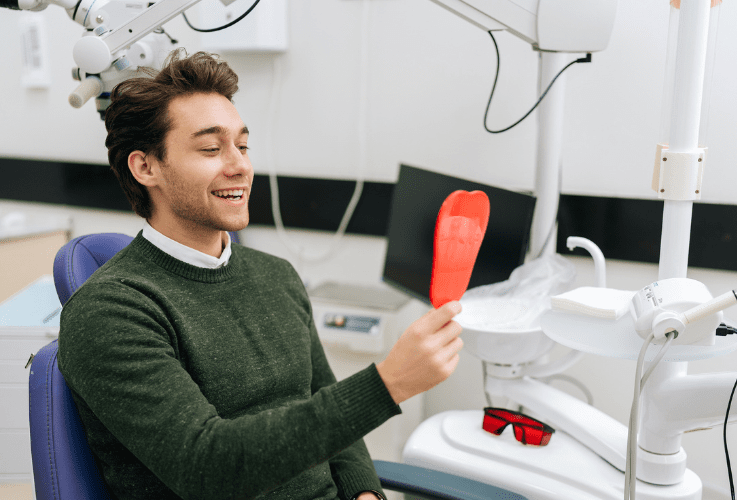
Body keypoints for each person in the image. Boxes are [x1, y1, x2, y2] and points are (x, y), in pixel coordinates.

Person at [57, 49, 463, 500]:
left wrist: (364, 493)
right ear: (145, 166)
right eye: (211, 148)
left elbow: (330, 413)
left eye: (243, 146)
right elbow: (207, 468)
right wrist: (389, 383)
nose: (240, 165)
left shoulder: (277, 277)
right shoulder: (111, 311)